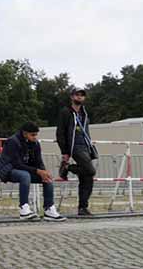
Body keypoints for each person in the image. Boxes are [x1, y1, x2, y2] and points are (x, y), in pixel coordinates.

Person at [0, 122, 66, 221]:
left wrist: (44, 172)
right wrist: (37, 171)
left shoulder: (35, 144)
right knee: (25, 176)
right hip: (7, 169)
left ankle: (49, 209)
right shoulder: (12, 141)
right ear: (24, 133)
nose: (35, 137)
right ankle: (23, 209)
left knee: (47, 178)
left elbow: (39, 161)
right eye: (32, 135)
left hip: (25, 170)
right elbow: (16, 164)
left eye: (36, 134)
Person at [56, 87, 98, 217]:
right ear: (72, 97)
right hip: (74, 147)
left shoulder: (84, 113)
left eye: (82, 95)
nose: (79, 97)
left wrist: (90, 144)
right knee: (90, 170)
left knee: (87, 177)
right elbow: (60, 132)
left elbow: (86, 130)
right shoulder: (66, 112)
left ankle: (83, 207)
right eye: (77, 95)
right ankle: (67, 167)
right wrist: (65, 151)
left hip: (85, 146)